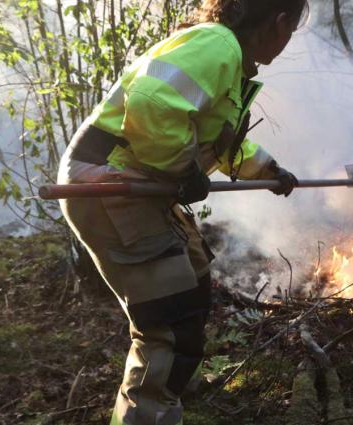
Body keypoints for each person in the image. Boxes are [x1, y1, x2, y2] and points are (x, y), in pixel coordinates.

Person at [56, 1, 309, 424]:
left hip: (142, 188)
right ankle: (150, 408)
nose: (287, 41)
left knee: (194, 282)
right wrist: (181, 167)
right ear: (280, 22)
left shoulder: (227, 56)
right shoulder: (217, 45)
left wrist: (268, 169)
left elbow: (217, 140)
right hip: (110, 185)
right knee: (170, 326)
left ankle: (170, 389)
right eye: (291, 30)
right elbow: (152, 103)